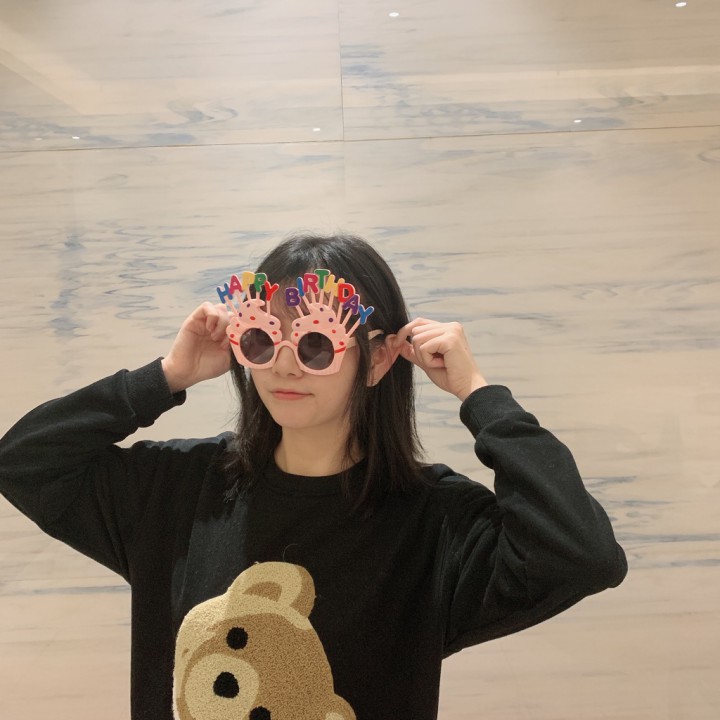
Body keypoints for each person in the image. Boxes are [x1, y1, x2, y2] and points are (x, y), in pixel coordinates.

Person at [0, 233, 627, 720]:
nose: (284, 367)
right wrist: (165, 376)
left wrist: (478, 394)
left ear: (378, 359)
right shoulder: (178, 491)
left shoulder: (434, 524)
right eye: (261, 339)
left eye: (316, 346)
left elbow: (583, 554)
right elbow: (24, 461)